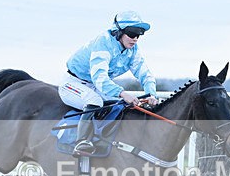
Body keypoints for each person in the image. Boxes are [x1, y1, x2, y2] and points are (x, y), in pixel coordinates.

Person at [59, 11, 159, 156]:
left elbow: (145, 74)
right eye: (132, 33)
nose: (135, 39)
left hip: (94, 85)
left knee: (119, 105)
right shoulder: (103, 43)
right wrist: (123, 93)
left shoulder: (132, 50)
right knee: (94, 101)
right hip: (73, 83)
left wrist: (152, 94)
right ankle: (81, 142)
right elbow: (100, 79)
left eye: (139, 34)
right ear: (119, 32)